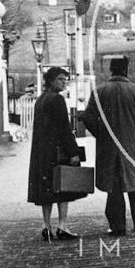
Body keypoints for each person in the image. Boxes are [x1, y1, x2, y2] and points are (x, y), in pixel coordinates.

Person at [82, 57, 135, 236]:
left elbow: (88, 118)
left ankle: (117, 226)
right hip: (132, 146)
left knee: (113, 188)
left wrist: (101, 134)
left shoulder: (99, 91)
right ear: (126, 70)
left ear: (110, 70)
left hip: (108, 147)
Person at [28, 67, 84, 242]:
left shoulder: (40, 100)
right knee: (63, 187)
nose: (64, 82)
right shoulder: (58, 100)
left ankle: (46, 226)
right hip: (57, 151)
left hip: (42, 152)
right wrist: (73, 152)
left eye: (65, 79)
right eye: (60, 79)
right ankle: (62, 226)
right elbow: (64, 129)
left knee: (47, 190)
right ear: (51, 81)